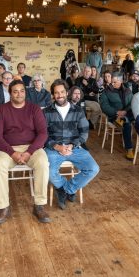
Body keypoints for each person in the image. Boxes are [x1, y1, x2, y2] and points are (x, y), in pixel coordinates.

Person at [0, 80, 50, 224]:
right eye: (15, 91)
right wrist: (12, 153)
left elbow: (43, 133)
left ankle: (39, 205)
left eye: (22, 91)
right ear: (10, 93)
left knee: (43, 162)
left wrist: (29, 152)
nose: (19, 94)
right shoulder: (2, 110)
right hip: (8, 149)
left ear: (25, 92)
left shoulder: (34, 109)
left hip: (32, 148)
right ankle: (3, 207)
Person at [44, 80, 99, 209]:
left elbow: (84, 132)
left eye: (62, 92)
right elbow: (43, 135)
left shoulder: (78, 110)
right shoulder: (46, 112)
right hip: (53, 149)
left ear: (67, 92)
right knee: (49, 171)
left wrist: (72, 145)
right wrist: (57, 147)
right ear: (53, 95)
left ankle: (66, 190)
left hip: (74, 147)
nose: (60, 95)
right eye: (56, 93)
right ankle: (66, 189)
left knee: (93, 168)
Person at [100, 72, 135, 159]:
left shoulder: (127, 91)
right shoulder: (106, 92)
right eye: (112, 82)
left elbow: (133, 103)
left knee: (138, 116)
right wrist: (117, 112)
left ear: (121, 81)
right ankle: (129, 149)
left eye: (115, 82)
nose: (112, 84)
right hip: (114, 116)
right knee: (126, 124)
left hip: (127, 114)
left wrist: (125, 111)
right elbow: (104, 106)